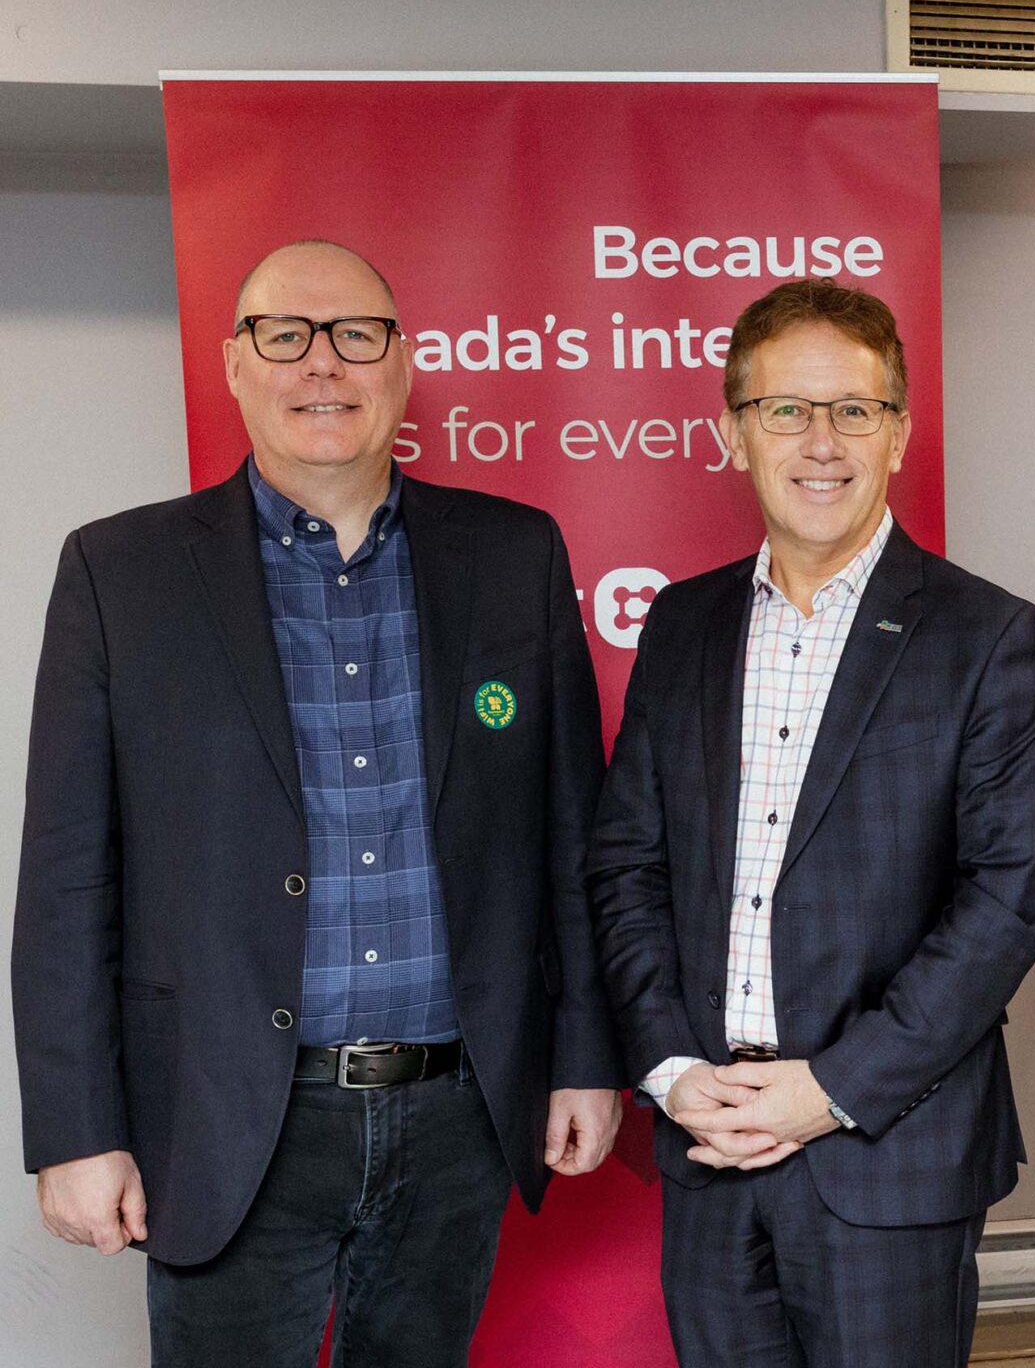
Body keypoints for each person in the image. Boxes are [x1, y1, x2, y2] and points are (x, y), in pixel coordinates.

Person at [13, 239, 623, 1366]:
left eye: (355, 334)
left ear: (401, 361)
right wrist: (75, 1131)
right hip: (225, 1112)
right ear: (235, 365)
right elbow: (64, 874)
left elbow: (567, 834)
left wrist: (584, 1053)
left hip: (459, 1116)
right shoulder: (120, 570)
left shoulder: (511, 554)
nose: (321, 364)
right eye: (284, 336)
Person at [585, 277, 1035, 1367]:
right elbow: (627, 862)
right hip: (708, 1137)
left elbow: (1010, 895)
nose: (821, 440)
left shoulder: (988, 636)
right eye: (785, 409)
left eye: (854, 408)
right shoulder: (684, 622)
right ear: (732, 432)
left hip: (887, 1151)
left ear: (897, 432)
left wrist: (830, 1089)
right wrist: (668, 1068)